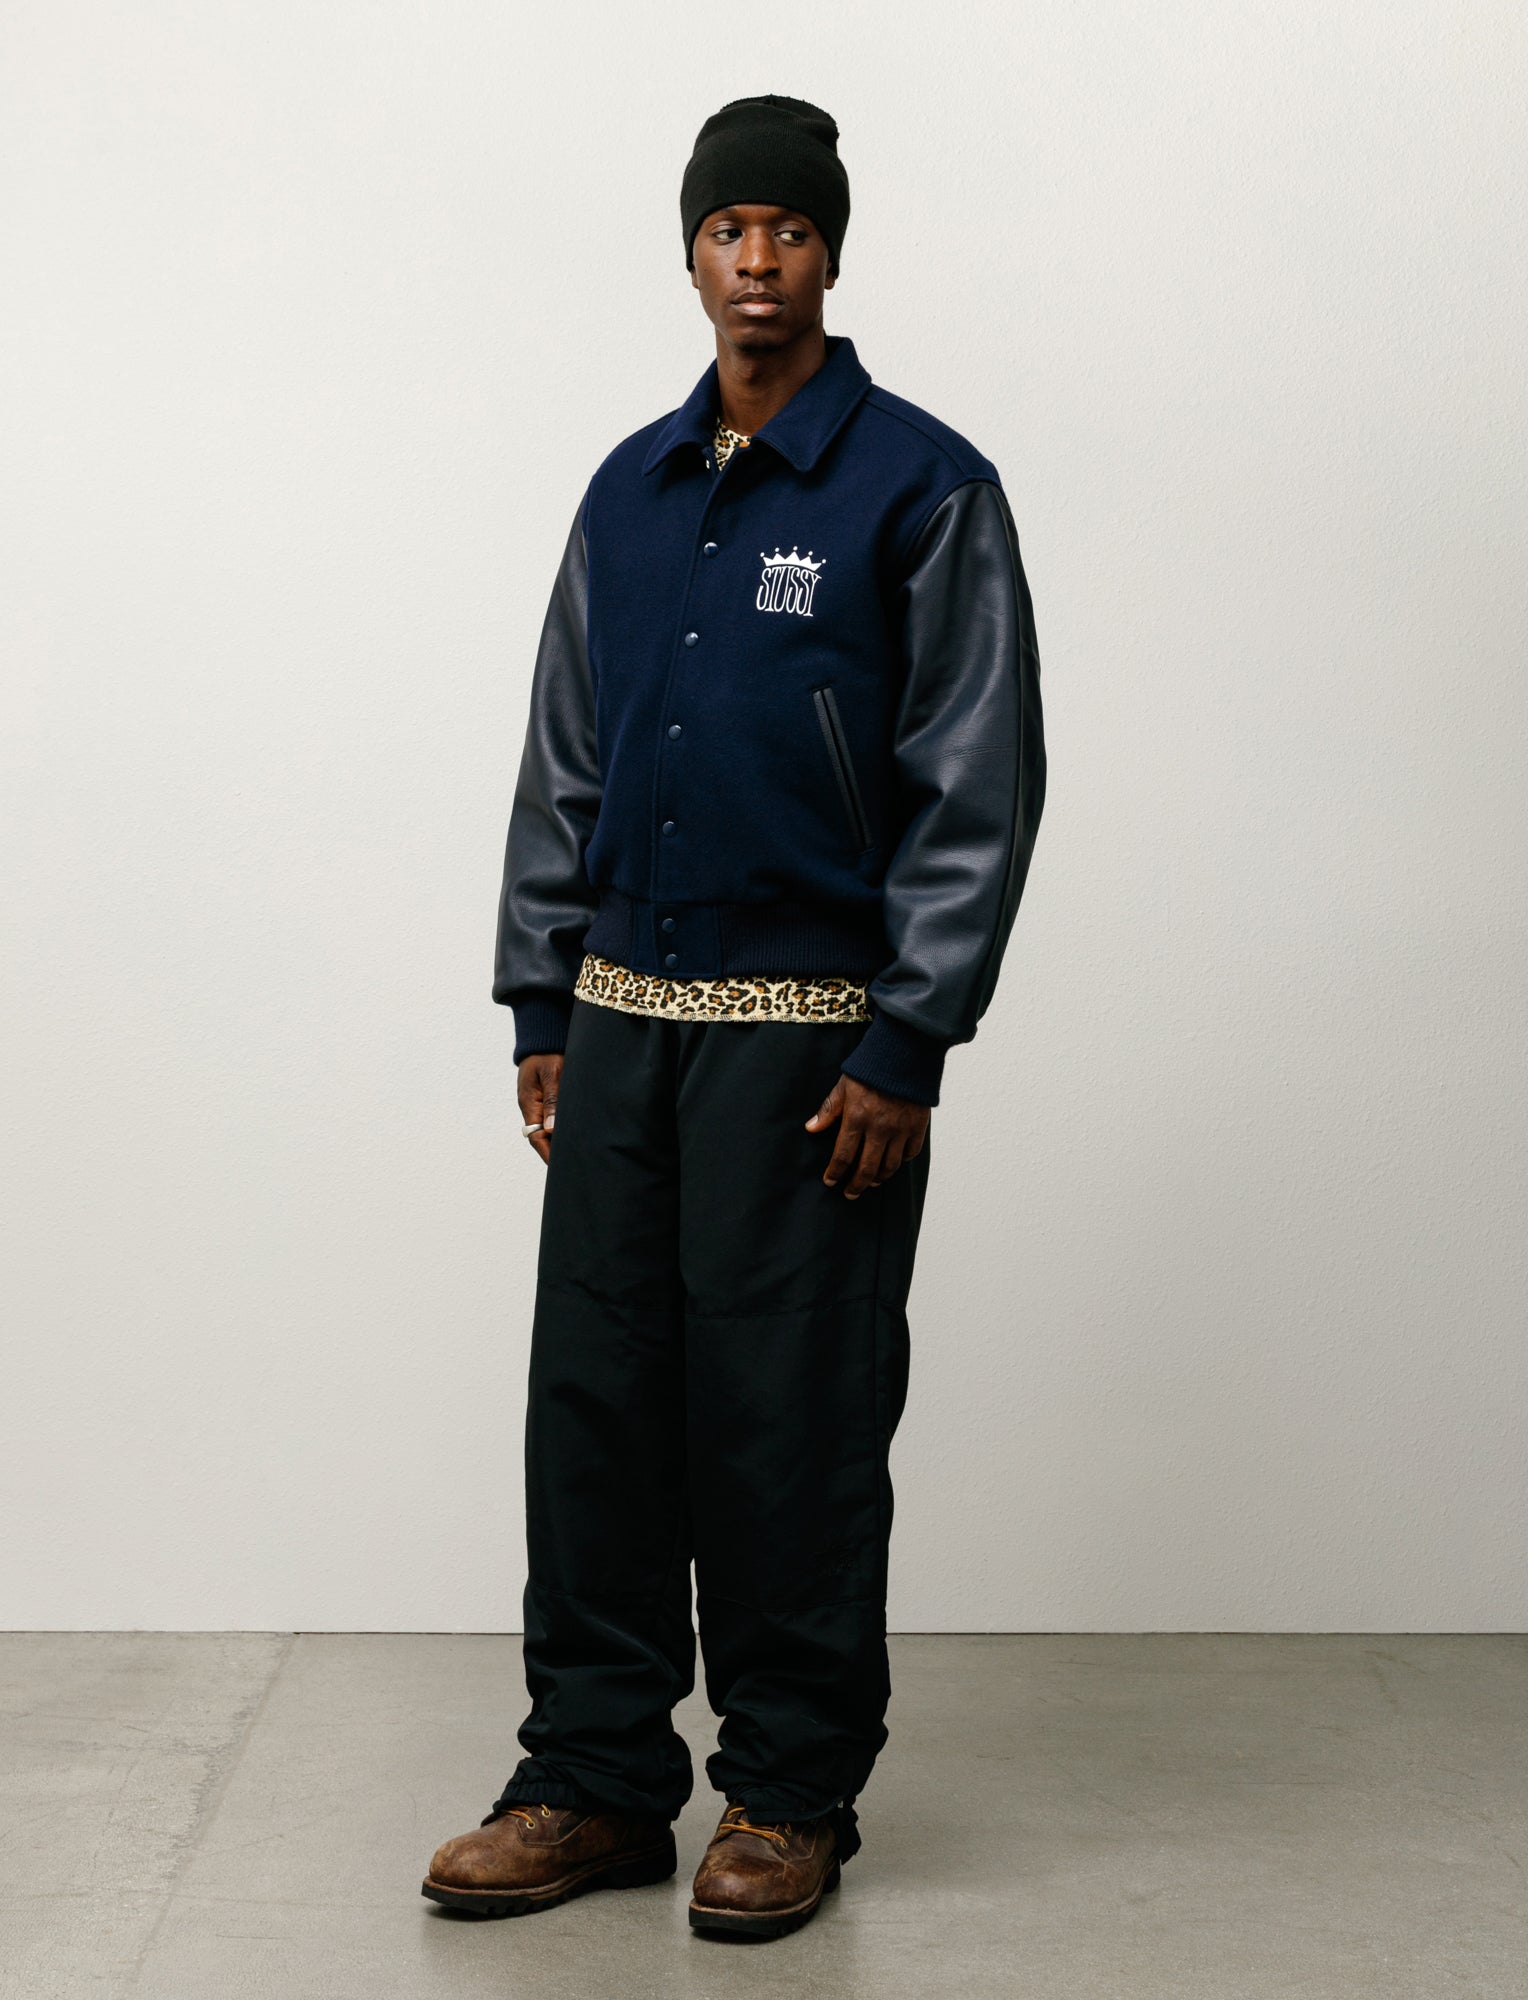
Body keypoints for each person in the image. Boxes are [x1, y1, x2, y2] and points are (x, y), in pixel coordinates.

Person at [422, 92, 1046, 1942]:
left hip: (814, 1045)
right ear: (689, 254)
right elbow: (566, 752)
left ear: (832, 252)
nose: (757, 260)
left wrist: (907, 1038)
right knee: (598, 1409)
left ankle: (787, 1790)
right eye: (727, 229)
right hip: (620, 1021)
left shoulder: (921, 488)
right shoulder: (629, 492)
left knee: (788, 1416)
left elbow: (976, 780)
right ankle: (594, 1777)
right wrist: (541, 993)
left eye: (788, 228)